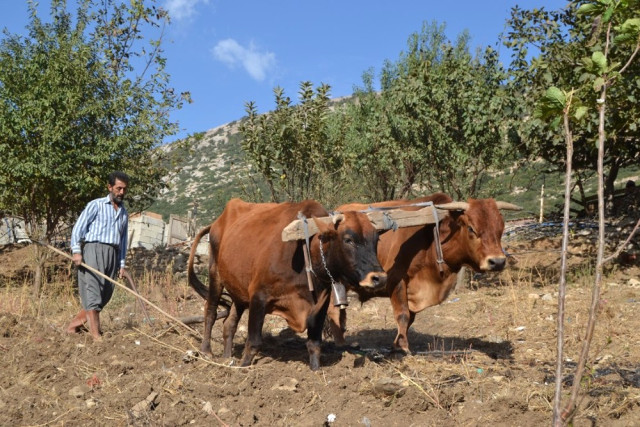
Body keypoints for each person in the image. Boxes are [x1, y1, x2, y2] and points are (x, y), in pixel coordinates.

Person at [66, 171, 130, 340]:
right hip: (93, 250)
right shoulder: (96, 205)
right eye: (118, 188)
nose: (121, 192)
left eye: (124, 189)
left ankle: (73, 326)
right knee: (93, 292)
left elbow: (123, 241)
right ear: (110, 187)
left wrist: (121, 264)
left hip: (113, 254)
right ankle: (96, 335)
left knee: (105, 294)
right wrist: (77, 251)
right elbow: (78, 228)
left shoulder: (124, 213)